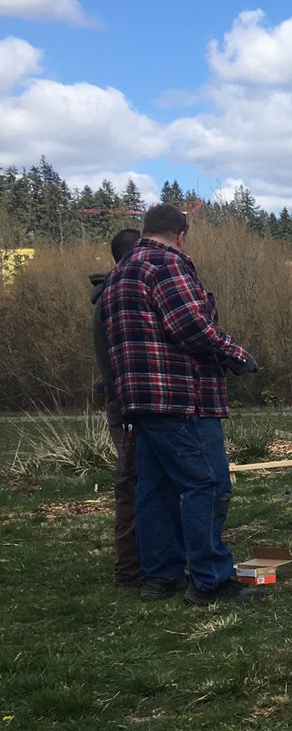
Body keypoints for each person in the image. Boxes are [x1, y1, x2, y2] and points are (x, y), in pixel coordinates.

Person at [101, 203, 261, 605]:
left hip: (139, 400)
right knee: (206, 483)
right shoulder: (167, 263)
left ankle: (161, 577)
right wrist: (236, 354)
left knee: (154, 489)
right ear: (182, 234)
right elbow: (191, 326)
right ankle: (210, 582)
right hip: (179, 398)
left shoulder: (121, 271)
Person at [92, 227, 145, 587]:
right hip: (127, 403)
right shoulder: (114, 299)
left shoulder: (113, 295)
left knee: (141, 479)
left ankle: (146, 561)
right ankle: (129, 569)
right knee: (131, 480)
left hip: (126, 399)